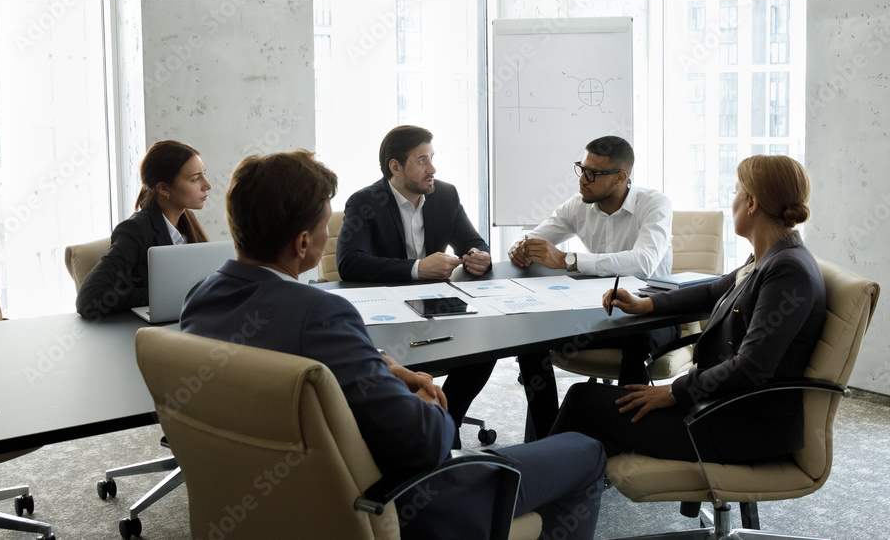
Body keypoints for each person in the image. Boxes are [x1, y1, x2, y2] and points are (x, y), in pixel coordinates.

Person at [181, 150, 606, 540]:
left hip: (280, 499)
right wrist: (431, 403)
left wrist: (382, 364)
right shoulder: (319, 313)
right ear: (303, 243)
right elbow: (422, 444)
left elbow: (309, 364)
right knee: (585, 450)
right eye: (322, 224)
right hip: (404, 502)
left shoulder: (202, 298)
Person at [551, 154, 826, 464]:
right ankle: (559, 486)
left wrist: (671, 392)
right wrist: (646, 304)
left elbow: (751, 367)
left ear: (751, 202)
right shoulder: (768, 259)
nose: (731, 201)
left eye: (736, 192)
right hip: (718, 406)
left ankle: (533, 494)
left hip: (736, 426)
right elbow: (711, 292)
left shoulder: (788, 271)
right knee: (595, 413)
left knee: (581, 401)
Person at [507, 136, 676, 440]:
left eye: (593, 173)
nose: (582, 180)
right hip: (600, 314)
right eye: (581, 169)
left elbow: (644, 262)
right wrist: (520, 247)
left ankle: (624, 441)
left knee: (636, 342)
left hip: (651, 314)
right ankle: (548, 438)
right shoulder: (579, 205)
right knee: (529, 342)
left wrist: (570, 260)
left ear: (621, 178)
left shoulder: (655, 204)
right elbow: (534, 237)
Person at [336, 125, 496, 439]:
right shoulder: (365, 202)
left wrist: (480, 256)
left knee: (486, 347)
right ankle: (426, 426)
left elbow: (473, 241)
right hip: (388, 311)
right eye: (422, 160)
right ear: (395, 167)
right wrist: (417, 268)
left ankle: (447, 420)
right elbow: (349, 262)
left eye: (432, 158)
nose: (432, 168)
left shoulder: (445, 194)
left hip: (437, 305)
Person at [76, 140, 211, 319]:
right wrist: (162, 295)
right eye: (195, 179)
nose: (207, 185)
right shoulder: (135, 230)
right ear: (163, 188)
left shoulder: (187, 220)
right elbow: (89, 298)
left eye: (204, 175)